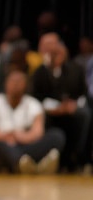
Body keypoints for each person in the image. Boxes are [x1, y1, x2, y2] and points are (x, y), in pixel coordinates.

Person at [0, 66, 64, 174]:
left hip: (25, 143)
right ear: (6, 83)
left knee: (57, 135)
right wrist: (5, 136)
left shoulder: (33, 104)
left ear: (26, 85)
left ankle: (20, 163)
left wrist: (19, 137)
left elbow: (38, 132)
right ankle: (31, 165)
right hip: (2, 143)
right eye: (13, 81)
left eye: (19, 81)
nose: (16, 84)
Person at [28, 32, 91, 173]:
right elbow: (35, 98)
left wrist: (73, 105)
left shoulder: (75, 69)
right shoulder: (40, 72)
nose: (54, 52)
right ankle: (47, 159)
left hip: (72, 109)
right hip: (48, 110)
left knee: (84, 114)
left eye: (57, 49)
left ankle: (78, 158)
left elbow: (83, 94)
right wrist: (55, 108)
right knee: (43, 118)